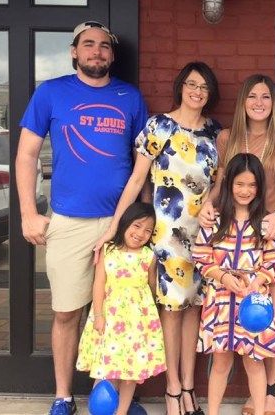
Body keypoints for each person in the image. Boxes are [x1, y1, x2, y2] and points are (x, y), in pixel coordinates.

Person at [15, 21, 149, 415]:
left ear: (112, 54)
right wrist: (28, 213)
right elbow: (26, 156)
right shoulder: (51, 93)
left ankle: (112, 398)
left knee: (118, 314)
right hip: (69, 222)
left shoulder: (130, 97)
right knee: (67, 313)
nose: (97, 51)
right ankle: (63, 396)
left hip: (120, 225)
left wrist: (143, 219)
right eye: (88, 44)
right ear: (74, 51)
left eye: (104, 46)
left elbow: (142, 165)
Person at [94, 61, 221, 415]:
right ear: (180, 86)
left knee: (194, 306)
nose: (197, 91)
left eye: (204, 87)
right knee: (171, 310)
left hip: (203, 232)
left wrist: (212, 202)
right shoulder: (159, 125)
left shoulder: (215, 132)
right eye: (192, 84)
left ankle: (190, 385)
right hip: (166, 232)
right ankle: (172, 388)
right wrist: (115, 227)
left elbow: (220, 179)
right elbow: (137, 179)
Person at [198, 74, 275, 415]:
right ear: (243, 101)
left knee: (273, 315)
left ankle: (269, 392)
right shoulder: (227, 137)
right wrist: (208, 205)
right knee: (231, 332)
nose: (259, 102)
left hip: (271, 232)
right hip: (230, 237)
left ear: (274, 103)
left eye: (265, 96)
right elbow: (222, 182)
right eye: (252, 96)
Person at [193, 153, 275, 415]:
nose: (245, 191)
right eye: (239, 184)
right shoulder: (214, 220)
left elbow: (272, 264)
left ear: (260, 187)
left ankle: (260, 409)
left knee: (254, 362)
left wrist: (257, 283)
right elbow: (201, 256)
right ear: (229, 183)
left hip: (253, 303)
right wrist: (222, 277)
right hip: (220, 300)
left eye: (252, 185)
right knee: (220, 362)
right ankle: (213, 412)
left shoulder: (266, 224)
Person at [77, 202, 166, 415]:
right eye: (137, 226)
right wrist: (98, 315)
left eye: (148, 230)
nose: (141, 234)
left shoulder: (148, 256)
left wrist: (152, 319)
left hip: (137, 323)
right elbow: (99, 284)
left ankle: (122, 411)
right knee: (105, 368)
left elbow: (152, 287)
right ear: (125, 223)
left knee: (131, 372)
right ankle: (100, 411)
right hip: (110, 320)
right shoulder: (108, 250)